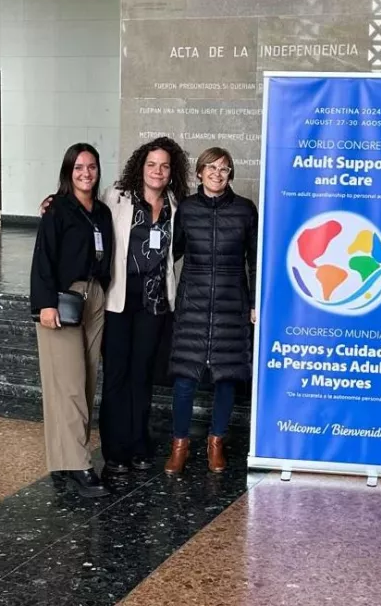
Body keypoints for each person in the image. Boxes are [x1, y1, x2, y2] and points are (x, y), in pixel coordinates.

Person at [98, 138, 190, 477]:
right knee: (116, 377)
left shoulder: (174, 206)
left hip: (154, 304)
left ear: (172, 172)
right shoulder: (116, 197)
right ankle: (114, 451)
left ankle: (139, 445)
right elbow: (85, 214)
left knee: (142, 377)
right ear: (141, 166)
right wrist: (53, 202)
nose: (158, 171)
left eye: (165, 166)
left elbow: (174, 250)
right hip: (119, 301)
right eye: (152, 164)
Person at [164, 147, 258, 475]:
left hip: (232, 304)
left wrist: (255, 302)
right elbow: (169, 254)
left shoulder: (245, 210)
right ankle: (180, 444)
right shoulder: (186, 209)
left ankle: (216, 442)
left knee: (227, 377)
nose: (218, 174)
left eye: (224, 169)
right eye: (211, 168)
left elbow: (254, 260)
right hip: (193, 302)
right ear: (199, 173)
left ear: (231, 175)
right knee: (185, 378)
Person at [30, 143, 114, 498]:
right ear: (69, 171)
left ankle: (60, 462)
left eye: (91, 167)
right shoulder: (57, 209)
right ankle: (79, 464)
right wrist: (45, 304)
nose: (86, 173)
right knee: (68, 385)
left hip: (94, 297)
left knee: (86, 382)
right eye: (78, 167)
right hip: (62, 300)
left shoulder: (102, 212)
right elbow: (43, 259)